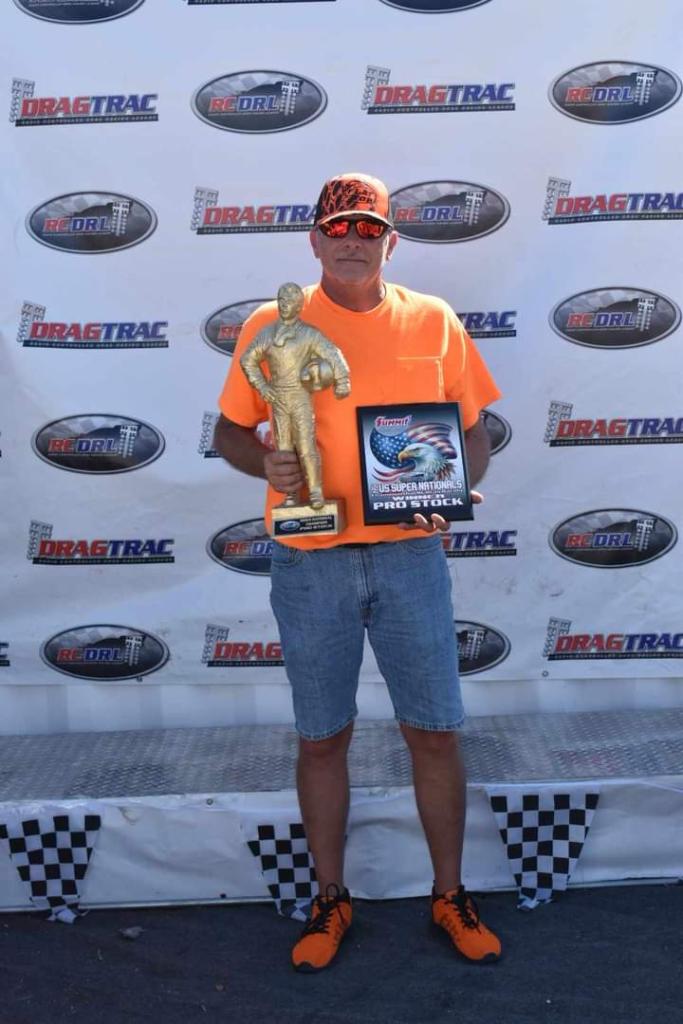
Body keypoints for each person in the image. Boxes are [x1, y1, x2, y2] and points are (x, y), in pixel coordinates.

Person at [214, 172, 502, 972]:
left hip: (411, 556)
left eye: (367, 228)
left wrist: (454, 491)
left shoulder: (433, 319)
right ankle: (330, 897)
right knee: (321, 738)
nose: (352, 241)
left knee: (433, 732)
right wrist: (264, 462)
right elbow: (230, 432)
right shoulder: (270, 324)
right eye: (337, 228)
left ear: (390, 242)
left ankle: (449, 894)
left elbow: (473, 432)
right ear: (313, 240)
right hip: (310, 561)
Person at [240, 281, 350, 510]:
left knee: (306, 446)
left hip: (300, 397)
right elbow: (248, 359)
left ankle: (316, 491)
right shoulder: (268, 333)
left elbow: (333, 354)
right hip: (278, 399)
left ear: (299, 306)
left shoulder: (309, 334)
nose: (284, 304)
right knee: (284, 450)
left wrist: (342, 381)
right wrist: (263, 387)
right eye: (281, 300)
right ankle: (291, 495)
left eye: (290, 301)